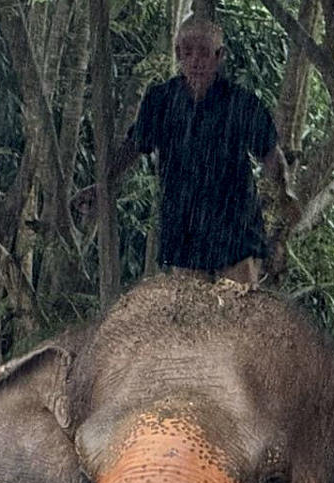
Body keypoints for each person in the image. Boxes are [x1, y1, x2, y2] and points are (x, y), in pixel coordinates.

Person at [93, 16, 295, 285]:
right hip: (183, 225)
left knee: (240, 309)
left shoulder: (241, 103)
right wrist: (103, 184)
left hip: (233, 225)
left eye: (204, 52)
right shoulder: (161, 100)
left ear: (219, 56)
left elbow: (271, 154)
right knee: (191, 315)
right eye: (187, 52)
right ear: (178, 54)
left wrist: (283, 194)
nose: (196, 61)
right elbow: (135, 145)